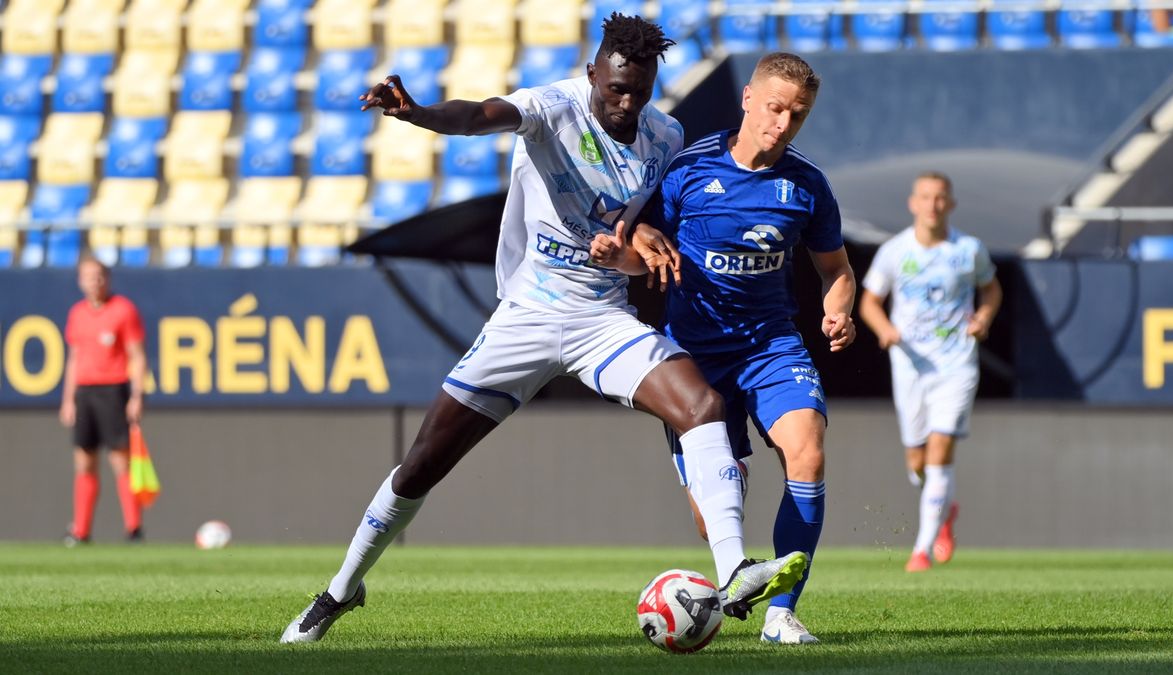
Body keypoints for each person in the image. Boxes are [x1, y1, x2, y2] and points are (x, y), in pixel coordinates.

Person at [280, 14, 808, 644]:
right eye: (615, 90)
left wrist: (641, 236)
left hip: (602, 317)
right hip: (527, 316)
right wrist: (419, 113)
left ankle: (736, 571)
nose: (626, 104)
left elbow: (639, 222)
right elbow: (477, 116)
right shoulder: (550, 107)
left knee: (701, 405)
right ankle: (342, 589)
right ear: (592, 74)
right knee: (422, 465)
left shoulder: (665, 136)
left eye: (638, 91)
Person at [591, 52, 856, 645]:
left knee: (807, 451)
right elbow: (647, 252)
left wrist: (838, 307)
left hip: (772, 345)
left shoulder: (808, 185)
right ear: (747, 100)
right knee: (712, 507)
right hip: (694, 358)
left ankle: (782, 616)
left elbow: (836, 268)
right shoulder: (687, 169)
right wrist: (622, 258)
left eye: (798, 114)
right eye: (775, 108)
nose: (783, 124)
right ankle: (736, 570)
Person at [858, 172, 1002, 573]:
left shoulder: (968, 250)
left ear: (950, 204)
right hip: (910, 365)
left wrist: (984, 318)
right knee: (917, 460)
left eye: (940, 198)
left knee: (940, 450)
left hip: (956, 363)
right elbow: (870, 301)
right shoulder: (894, 251)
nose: (933, 205)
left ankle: (921, 549)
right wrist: (885, 329)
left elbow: (991, 289)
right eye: (926, 197)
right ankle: (944, 510)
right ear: (913, 203)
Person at [60, 257, 147, 545]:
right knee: (84, 460)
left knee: (120, 459)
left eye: (99, 276)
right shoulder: (77, 313)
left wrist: (136, 395)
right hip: (85, 391)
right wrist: (68, 399)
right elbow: (73, 358)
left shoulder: (123, 310)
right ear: (80, 281)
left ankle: (133, 528)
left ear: (107, 279)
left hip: (113, 389)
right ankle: (81, 531)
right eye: (88, 276)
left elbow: (136, 354)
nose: (94, 282)